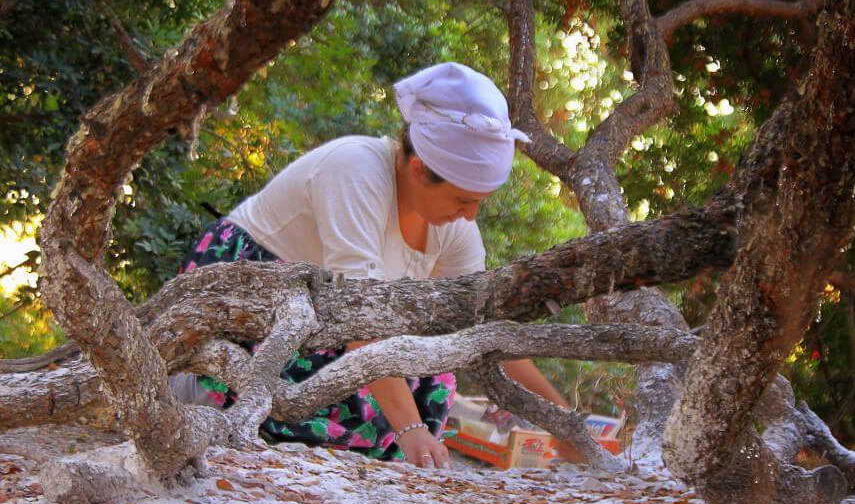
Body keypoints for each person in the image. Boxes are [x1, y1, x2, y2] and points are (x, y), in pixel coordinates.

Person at [173, 62, 574, 469]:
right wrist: (410, 431)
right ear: (418, 170)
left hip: (334, 319)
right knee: (355, 404)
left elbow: (483, 332)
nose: (470, 217)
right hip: (254, 299)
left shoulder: (454, 230)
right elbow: (357, 323)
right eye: (461, 201)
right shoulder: (356, 169)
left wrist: (563, 423)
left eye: (477, 203)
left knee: (432, 366)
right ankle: (194, 388)